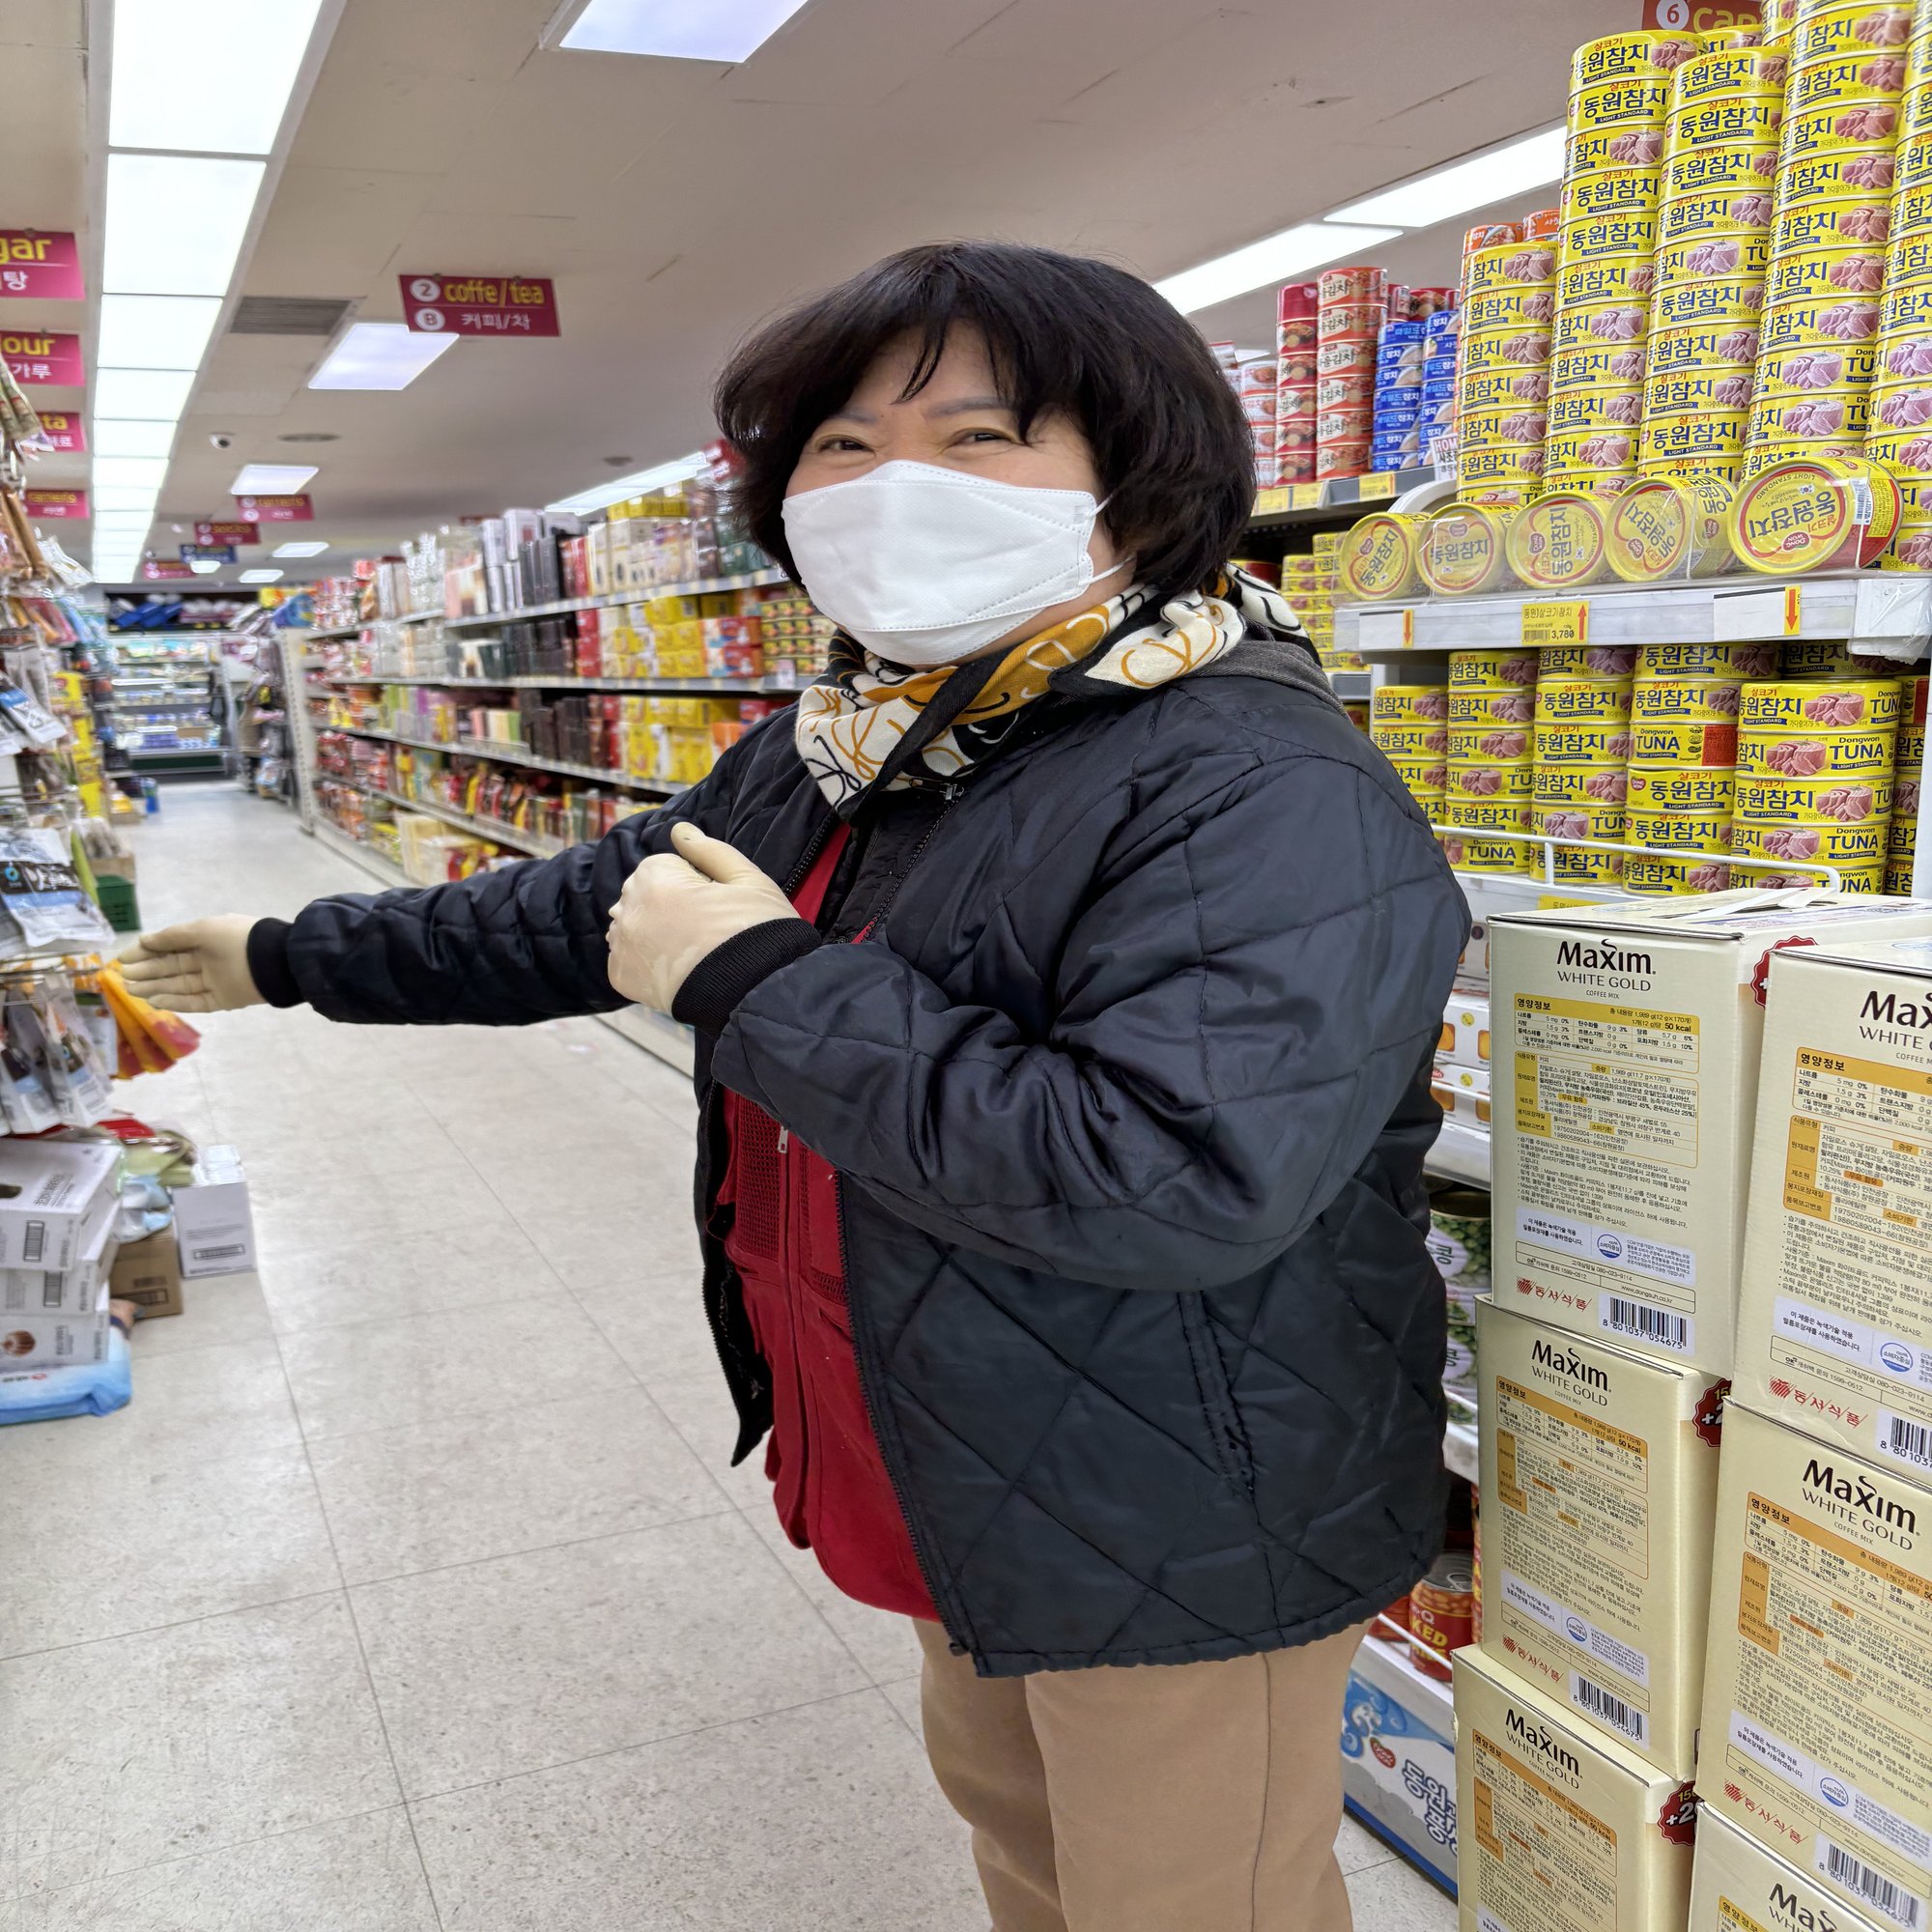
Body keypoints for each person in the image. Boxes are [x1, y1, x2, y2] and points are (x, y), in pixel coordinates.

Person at [121, 241, 1469, 1932]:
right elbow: (580, 911)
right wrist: (287, 952)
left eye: (978, 438)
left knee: (1193, 1904)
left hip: (1186, 1497)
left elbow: (1171, 1175)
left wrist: (756, 979)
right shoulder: (846, 745)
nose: (893, 485)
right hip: (963, 1453)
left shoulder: (1253, 781)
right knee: (1025, 1845)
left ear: (1137, 487)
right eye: (842, 444)